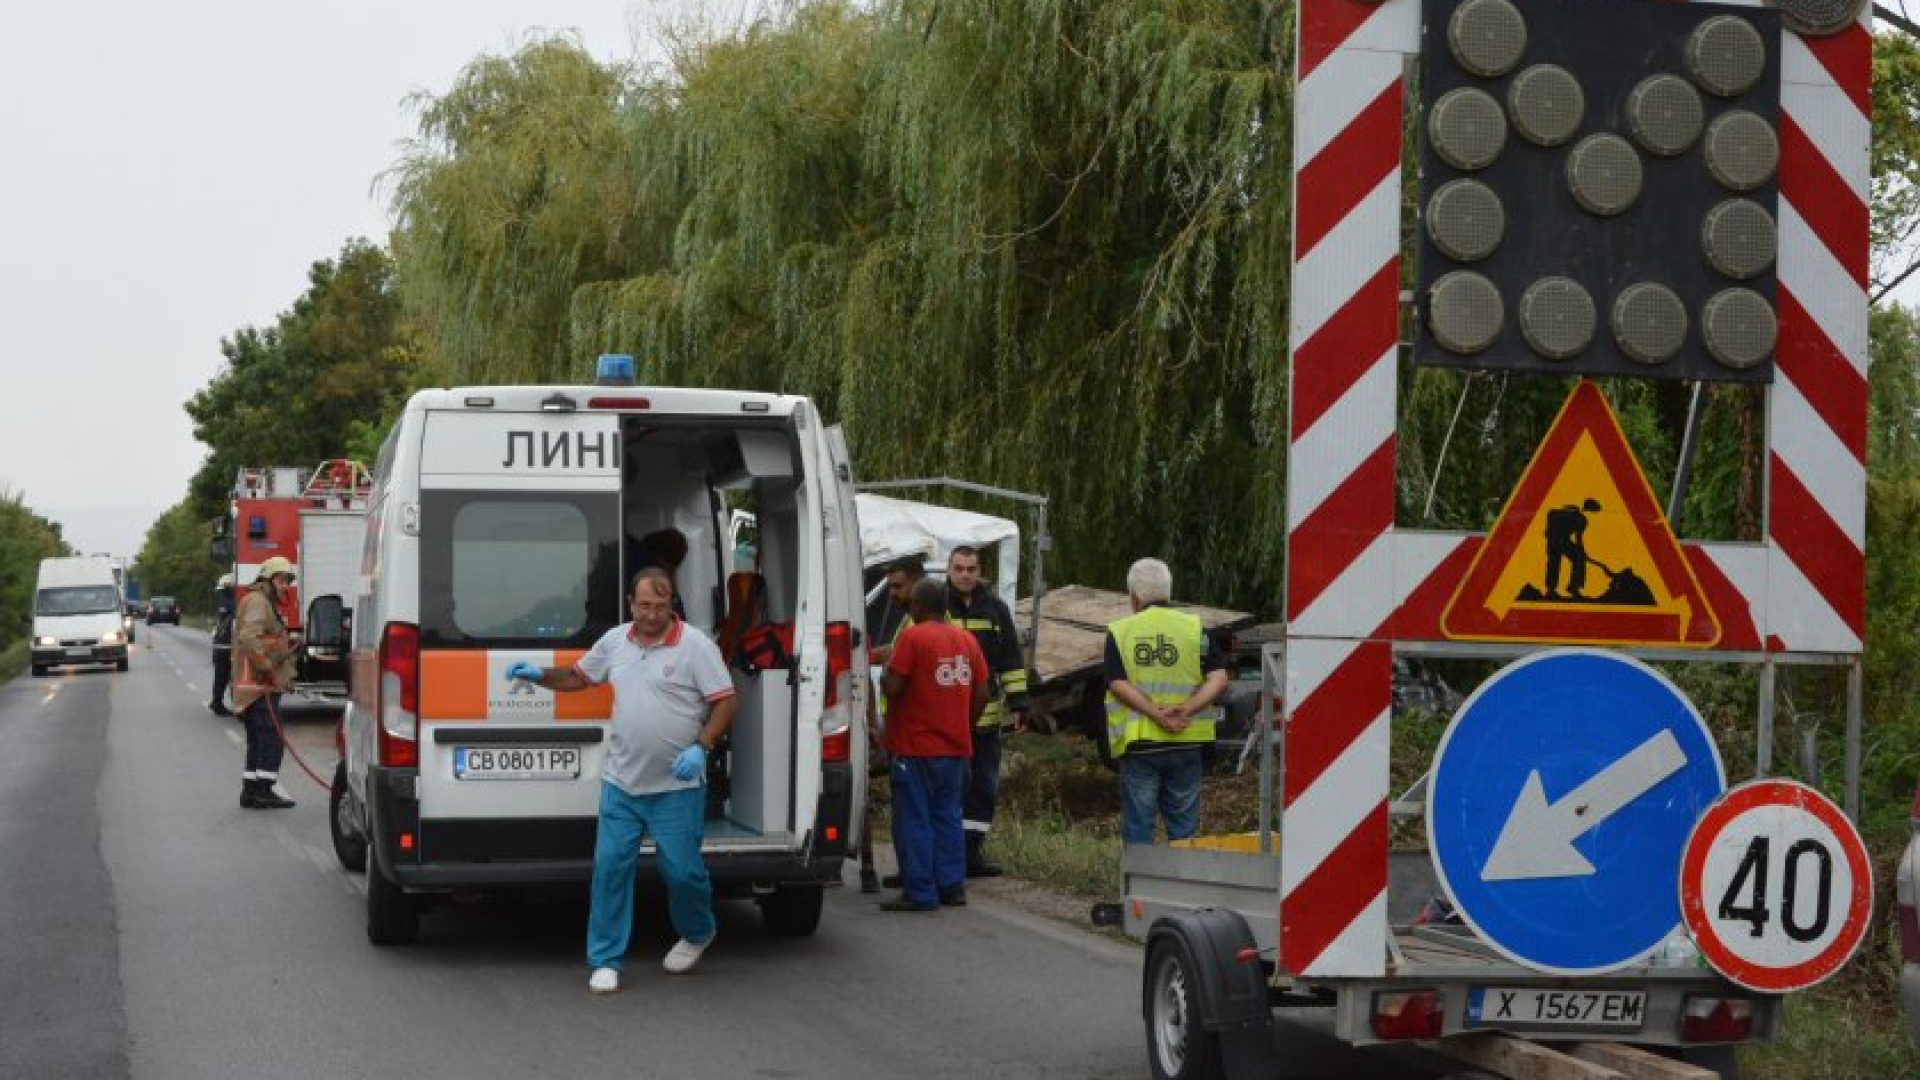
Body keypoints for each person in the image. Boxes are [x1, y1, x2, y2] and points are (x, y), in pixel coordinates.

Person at [507, 567, 738, 994]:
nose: (652, 615)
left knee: (683, 874)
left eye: (661, 606)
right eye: (645, 605)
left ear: (672, 605)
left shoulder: (695, 647)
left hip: (677, 785)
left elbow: (725, 702)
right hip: (622, 782)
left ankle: (698, 930)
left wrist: (702, 746)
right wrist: (538, 675)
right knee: (611, 868)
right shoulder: (615, 641)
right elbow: (579, 677)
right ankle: (606, 958)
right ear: (631, 604)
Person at [878, 578, 988, 912]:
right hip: (955, 747)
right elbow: (982, 692)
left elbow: (894, 687)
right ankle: (952, 887)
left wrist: (884, 674)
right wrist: (963, 723)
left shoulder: (913, 636)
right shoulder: (966, 640)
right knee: (948, 817)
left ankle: (920, 892)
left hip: (914, 747)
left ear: (919, 608)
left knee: (915, 819)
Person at [1103, 558, 1228, 845]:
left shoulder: (1120, 632)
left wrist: (1156, 715)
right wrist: (1188, 708)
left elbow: (1118, 684)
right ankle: (1182, 889)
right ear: (1168, 592)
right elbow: (1219, 679)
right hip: (1187, 741)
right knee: (1184, 832)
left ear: (1135, 598)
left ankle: (1140, 889)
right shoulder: (1197, 629)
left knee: (1139, 828)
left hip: (1141, 746)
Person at [944, 545, 1028, 877]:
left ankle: (972, 853)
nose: (965, 574)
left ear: (979, 572)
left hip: (986, 723)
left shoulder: (996, 610)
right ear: (949, 571)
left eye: (971, 569)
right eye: (959, 568)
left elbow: (1010, 660)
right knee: (953, 788)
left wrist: (1020, 703)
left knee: (984, 788)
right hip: (948, 720)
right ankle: (949, 854)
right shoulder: (937, 608)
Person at [859, 557, 926, 893]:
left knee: (915, 811)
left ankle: (918, 881)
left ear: (917, 584)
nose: (892, 594)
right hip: (913, 732)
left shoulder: (917, 629)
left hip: (915, 734)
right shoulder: (909, 623)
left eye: (898, 586)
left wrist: (884, 677)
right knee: (923, 810)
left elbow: (893, 679)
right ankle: (922, 877)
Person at [232, 558, 300, 810]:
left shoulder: (262, 602)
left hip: (255, 687)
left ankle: (250, 791)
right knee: (271, 739)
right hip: (260, 686)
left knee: (258, 740)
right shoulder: (259, 602)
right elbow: (250, 637)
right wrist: (268, 669)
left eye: (289, 581)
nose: (286, 586)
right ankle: (264, 791)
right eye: (283, 580)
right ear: (269, 580)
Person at [1544, 498, 1600, 600]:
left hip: (1552, 540)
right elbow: (1578, 538)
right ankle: (1574, 588)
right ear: (1591, 509)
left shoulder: (1561, 512)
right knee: (1579, 559)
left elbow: (1550, 515)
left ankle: (1550, 590)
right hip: (1561, 540)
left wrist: (1549, 530)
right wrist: (1582, 552)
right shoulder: (1582, 519)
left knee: (1553, 563)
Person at [208, 573, 236, 716]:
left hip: (221, 644)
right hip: (225, 645)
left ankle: (216, 702)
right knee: (223, 676)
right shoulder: (228, 601)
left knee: (222, 676)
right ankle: (217, 703)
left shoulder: (224, 600)